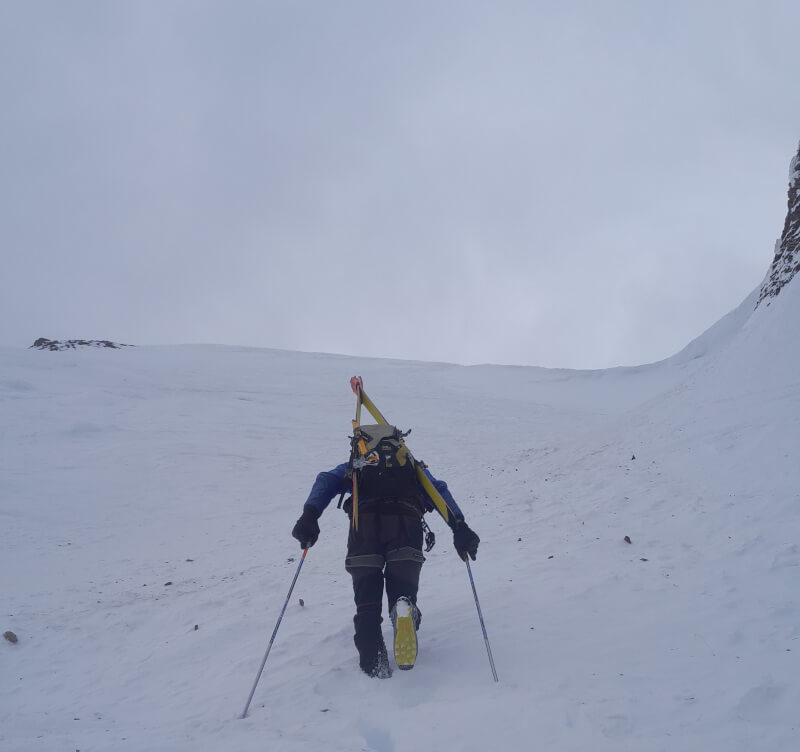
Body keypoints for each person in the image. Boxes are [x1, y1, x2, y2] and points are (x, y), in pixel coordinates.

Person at [291, 455, 480, 678]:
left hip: (364, 527)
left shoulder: (359, 463)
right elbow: (438, 490)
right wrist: (459, 526)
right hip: (406, 525)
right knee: (403, 590)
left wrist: (310, 515)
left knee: (367, 604)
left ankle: (374, 661)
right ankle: (403, 607)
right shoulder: (409, 464)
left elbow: (326, 480)